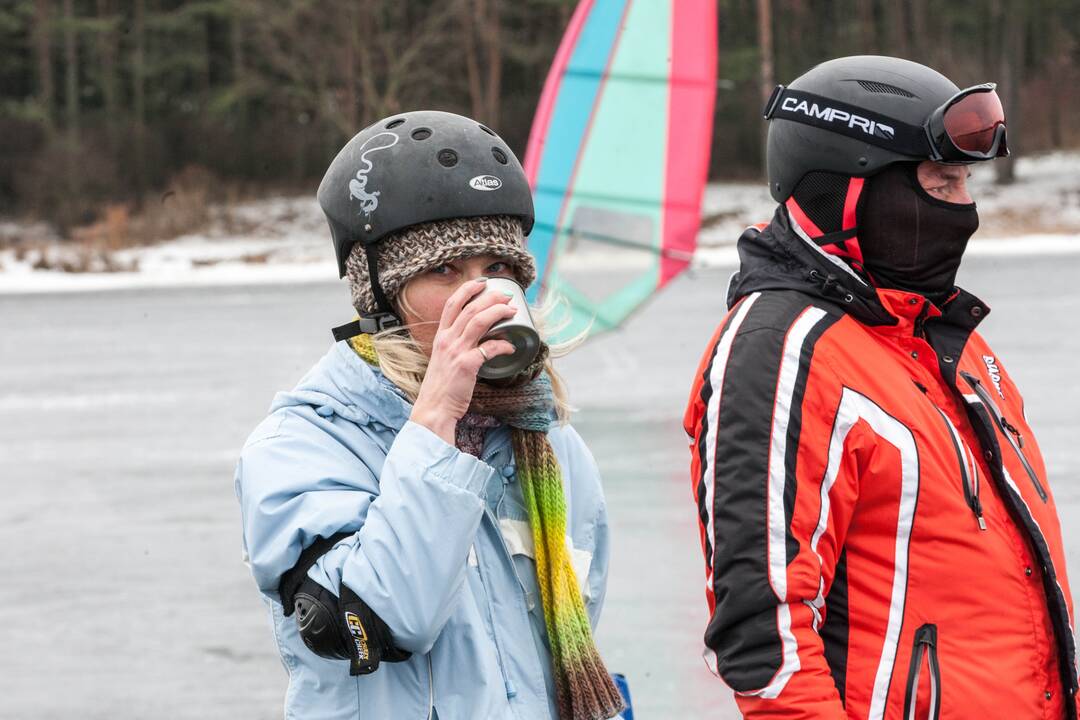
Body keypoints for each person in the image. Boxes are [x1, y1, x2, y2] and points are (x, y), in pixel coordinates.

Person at [684, 56, 1079, 718]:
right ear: (848, 191)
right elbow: (764, 639)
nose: (966, 209)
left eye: (964, 184)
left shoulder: (948, 342)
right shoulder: (784, 353)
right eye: (942, 183)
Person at [235, 110, 624, 720]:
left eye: (498, 270)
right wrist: (439, 413)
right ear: (380, 295)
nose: (479, 295)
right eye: (443, 271)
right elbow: (382, 617)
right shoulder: (302, 444)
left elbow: (575, 632)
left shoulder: (547, 441)